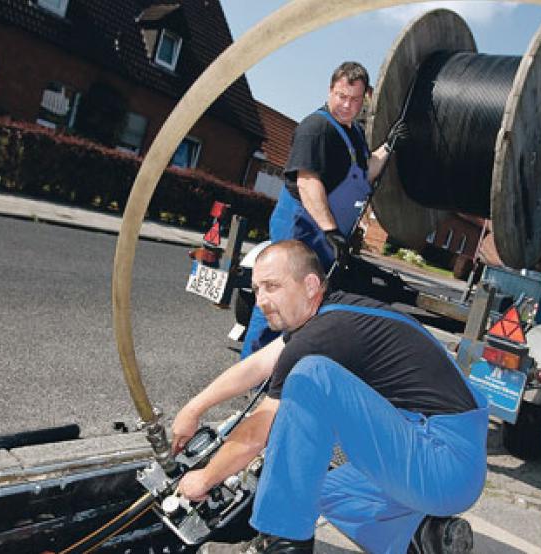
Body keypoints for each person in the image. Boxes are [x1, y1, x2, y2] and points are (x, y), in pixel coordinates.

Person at [173, 240, 488, 554]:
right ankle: (423, 537)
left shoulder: (324, 334)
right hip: (440, 461)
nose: (261, 301)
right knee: (312, 490)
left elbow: (258, 431)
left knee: (312, 376)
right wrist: (194, 407)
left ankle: (282, 544)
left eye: (271, 286)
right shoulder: (334, 316)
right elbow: (257, 364)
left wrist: (206, 478)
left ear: (310, 285)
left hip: (443, 462)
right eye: (256, 290)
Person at [240, 61, 409, 359]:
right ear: (330, 90)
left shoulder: (354, 133)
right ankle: (254, 372)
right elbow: (307, 182)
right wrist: (331, 231)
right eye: (341, 96)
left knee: (307, 305)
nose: (346, 105)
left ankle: (283, 368)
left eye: (355, 99)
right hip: (300, 229)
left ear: (365, 98)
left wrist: (389, 146)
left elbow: (366, 170)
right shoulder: (315, 129)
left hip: (325, 237)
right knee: (279, 300)